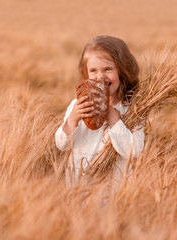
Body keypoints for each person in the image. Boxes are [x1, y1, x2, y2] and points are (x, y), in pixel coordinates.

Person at [55, 35, 144, 186]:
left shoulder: (132, 110)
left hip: (114, 191)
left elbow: (133, 152)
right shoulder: (78, 106)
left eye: (108, 69)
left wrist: (115, 121)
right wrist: (72, 119)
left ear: (122, 71)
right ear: (86, 74)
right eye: (93, 70)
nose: (100, 76)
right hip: (79, 188)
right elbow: (61, 144)